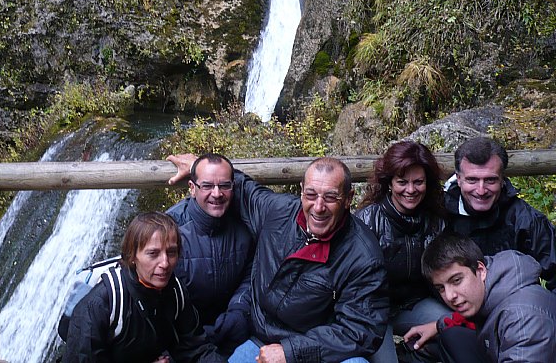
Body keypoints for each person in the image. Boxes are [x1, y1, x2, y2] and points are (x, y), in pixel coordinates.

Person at [168, 154, 390, 363]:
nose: (319, 207)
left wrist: (291, 352)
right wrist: (198, 165)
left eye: (331, 197)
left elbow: (361, 330)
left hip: (318, 350)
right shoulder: (278, 211)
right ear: (301, 191)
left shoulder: (363, 256)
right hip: (259, 339)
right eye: (311, 194)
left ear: (348, 199)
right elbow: (242, 188)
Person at [62, 211, 226, 363]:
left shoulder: (175, 292)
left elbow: (196, 349)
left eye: (171, 252)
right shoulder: (102, 302)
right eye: (153, 254)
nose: (165, 263)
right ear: (132, 256)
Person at [354, 141, 448, 363]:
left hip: (416, 303)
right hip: (374, 311)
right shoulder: (367, 220)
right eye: (402, 182)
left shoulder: (437, 221)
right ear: (389, 183)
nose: (411, 190)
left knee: (454, 326)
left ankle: (408, 355)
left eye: (418, 182)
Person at [404, 232, 556, 362]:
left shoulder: (522, 318)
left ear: (481, 270)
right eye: (441, 288)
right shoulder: (493, 286)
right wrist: (437, 326)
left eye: (456, 280)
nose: (450, 296)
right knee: (452, 336)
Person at [166, 153, 254, 354]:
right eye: (207, 186)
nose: (217, 193)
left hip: (233, 331)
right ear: (192, 188)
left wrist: (239, 310)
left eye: (224, 185)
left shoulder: (245, 225)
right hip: (182, 338)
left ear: (233, 187)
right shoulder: (170, 229)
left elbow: (251, 275)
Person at [443, 136, 556, 290]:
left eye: (490, 180)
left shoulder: (524, 219)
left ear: (502, 179)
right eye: (472, 180)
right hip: (449, 300)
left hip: (513, 299)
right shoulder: (438, 214)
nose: (481, 190)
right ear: (458, 179)